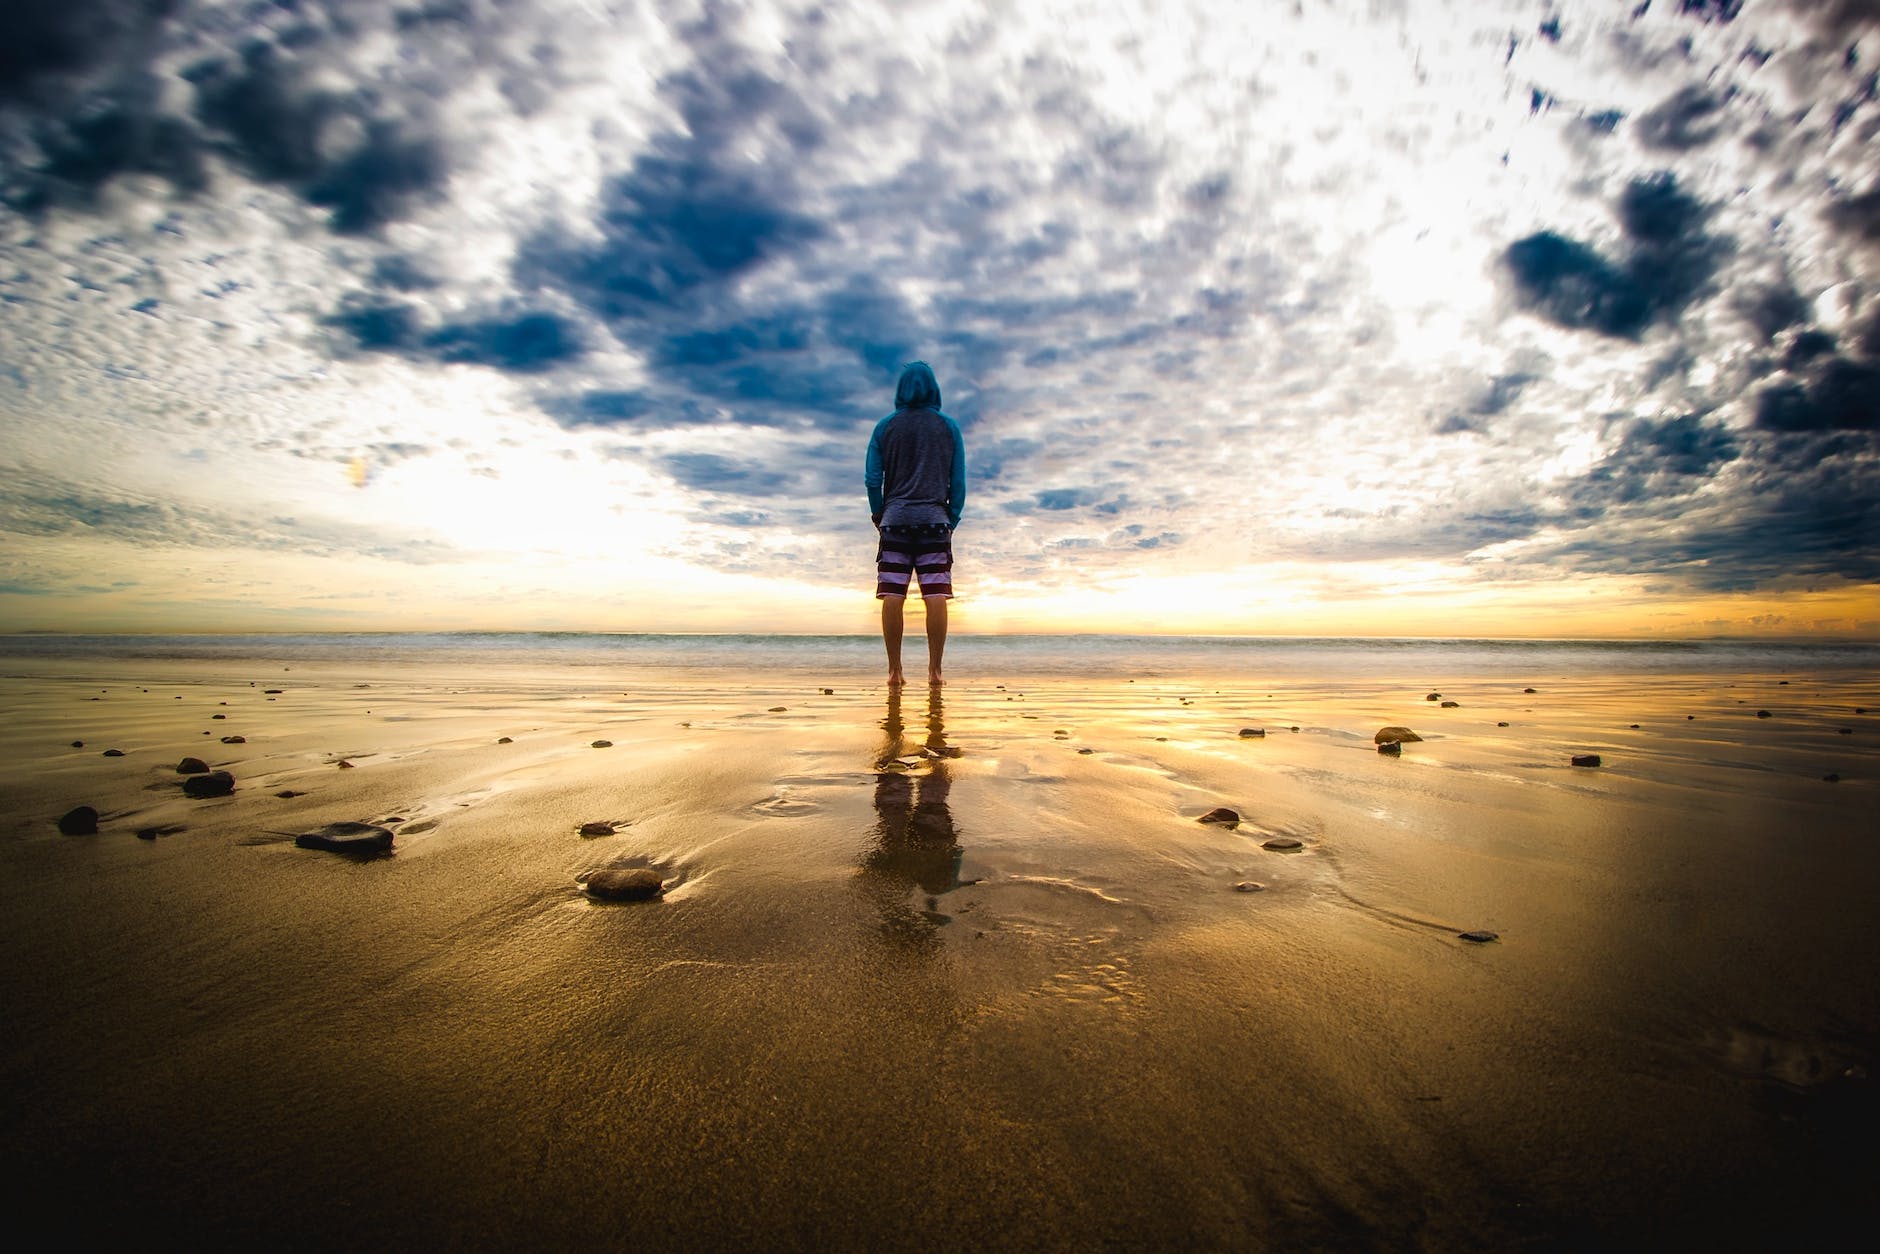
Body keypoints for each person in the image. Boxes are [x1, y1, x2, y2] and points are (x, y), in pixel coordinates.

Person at [864, 361, 966, 687]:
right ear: (933, 387)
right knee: (936, 595)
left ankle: (895, 672)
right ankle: (935, 672)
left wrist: (879, 513)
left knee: (892, 594)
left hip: (894, 522)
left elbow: (871, 479)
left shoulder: (885, 427)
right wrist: (953, 516)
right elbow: (958, 480)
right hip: (935, 522)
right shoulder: (948, 427)